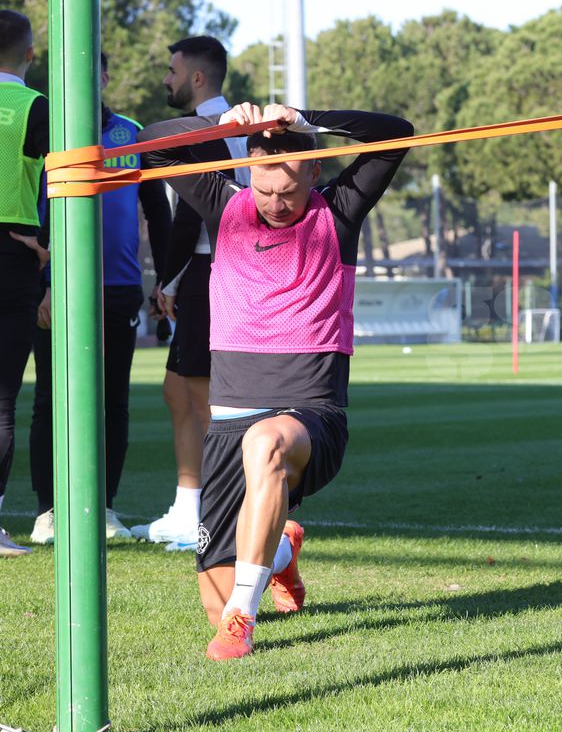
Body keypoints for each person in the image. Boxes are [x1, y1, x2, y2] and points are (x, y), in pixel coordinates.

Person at [138, 101, 413, 660]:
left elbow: (396, 134)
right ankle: (280, 553)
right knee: (211, 594)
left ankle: (243, 616)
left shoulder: (338, 212)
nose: (275, 203)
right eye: (264, 191)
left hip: (311, 419)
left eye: (287, 191)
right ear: (248, 174)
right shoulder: (226, 206)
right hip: (229, 426)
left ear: (315, 170)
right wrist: (224, 129)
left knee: (265, 446)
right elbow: (154, 141)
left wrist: (304, 117)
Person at [27, 51, 172, 543]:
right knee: (50, 398)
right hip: (56, 288)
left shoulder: (133, 134)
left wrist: (166, 277)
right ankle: (48, 511)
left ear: (106, 77)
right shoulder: (45, 130)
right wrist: (43, 277)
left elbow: (157, 210)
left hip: (120, 290)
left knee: (114, 401)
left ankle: (103, 508)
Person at [130, 35, 249, 548]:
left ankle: (218, 521)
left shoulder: (208, 130)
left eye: (172, 70)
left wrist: (169, 280)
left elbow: (196, 213)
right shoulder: (236, 125)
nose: (166, 79)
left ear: (197, 78)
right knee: (178, 392)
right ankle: (186, 508)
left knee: (203, 402)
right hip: (206, 269)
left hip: (212, 269)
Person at [0, 10, 48, 557]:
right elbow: (63, 184)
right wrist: (47, 248)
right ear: (30, 55)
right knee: (1, 401)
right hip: (11, 256)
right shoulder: (35, 106)